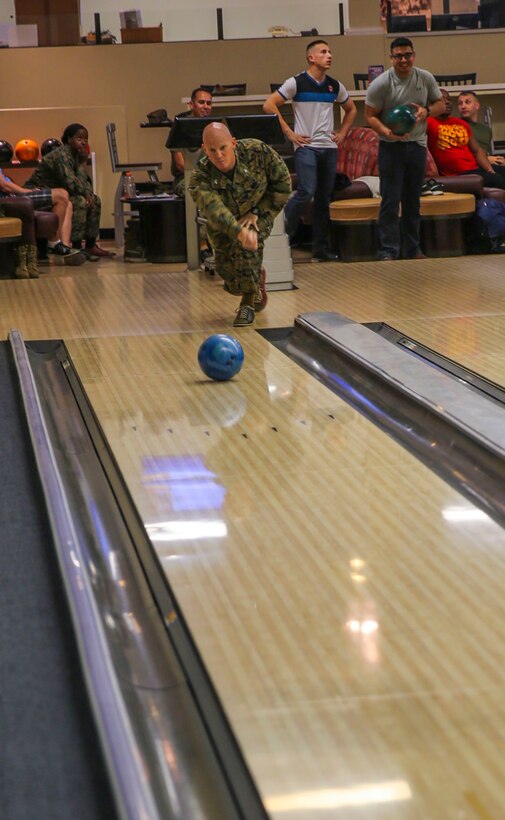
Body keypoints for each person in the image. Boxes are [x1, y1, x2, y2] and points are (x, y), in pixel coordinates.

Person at [188, 123, 291, 327]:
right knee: (227, 274)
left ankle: (247, 303)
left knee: (247, 250)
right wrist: (238, 232)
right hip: (224, 226)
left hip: (256, 215)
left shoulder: (257, 152)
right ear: (204, 149)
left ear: (233, 143)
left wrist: (257, 212)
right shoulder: (200, 176)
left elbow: (283, 184)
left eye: (223, 148)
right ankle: (254, 282)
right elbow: (214, 211)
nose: (219, 155)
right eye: (212, 150)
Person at [263, 39, 356, 262]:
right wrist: (289, 133)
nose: (329, 55)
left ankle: (320, 249)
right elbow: (269, 104)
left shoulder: (334, 85)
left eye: (330, 51)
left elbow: (350, 109)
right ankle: (282, 232)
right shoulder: (296, 82)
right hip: (306, 147)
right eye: (323, 52)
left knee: (324, 198)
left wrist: (342, 133)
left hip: (328, 147)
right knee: (307, 190)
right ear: (311, 58)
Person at [365, 37, 445, 261]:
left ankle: (413, 249)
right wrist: (387, 132)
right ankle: (388, 251)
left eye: (407, 55)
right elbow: (369, 116)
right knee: (390, 200)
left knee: (412, 200)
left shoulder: (425, 77)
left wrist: (426, 111)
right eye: (398, 56)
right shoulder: (380, 84)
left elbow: (440, 104)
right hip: (391, 148)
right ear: (391, 58)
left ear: (414, 55)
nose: (404, 59)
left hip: (417, 146)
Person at [24, 123, 114, 261]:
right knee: (79, 201)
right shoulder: (61, 154)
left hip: (61, 191)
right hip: (40, 192)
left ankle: (90, 245)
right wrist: (84, 194)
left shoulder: (76, 155)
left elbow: (83, 179)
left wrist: (88, 192)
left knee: (95, 200)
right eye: (79, 139)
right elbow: (69, 181)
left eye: (86, 139)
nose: (83, 142)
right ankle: (76, 246)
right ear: (69, 139)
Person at [0, 170, 82, 276]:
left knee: (67, 204)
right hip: (10, 200)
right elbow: (4, 186)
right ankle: (53, 244)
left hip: (14, 197)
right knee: (61, 195)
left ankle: (63, 247)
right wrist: (27, 191)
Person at [427, 89, 505, 189]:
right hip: (458, 174)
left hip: (475, 168)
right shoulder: (428, 122)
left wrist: (490, 170)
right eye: (441, 99)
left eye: (449, 99)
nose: (447, 102)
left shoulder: (460, 123)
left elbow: (477, 150)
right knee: (497, 180)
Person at [170, 87, 213, 198]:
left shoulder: (213, 128)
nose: (206, 106)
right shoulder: (179, 128)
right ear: (191, 104)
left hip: (210, 178)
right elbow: (180, 164)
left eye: (209, 103)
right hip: (185, 179)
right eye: (201, 102)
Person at [457, 90, 505, 166]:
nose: (463, 106)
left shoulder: (486, 130)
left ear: (477, 106)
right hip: (471, 167)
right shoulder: (457, 126)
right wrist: (487, 159)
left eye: (467, 102)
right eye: (460, 103)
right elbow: (458, 156)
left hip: (487, 165)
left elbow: (487, 152)